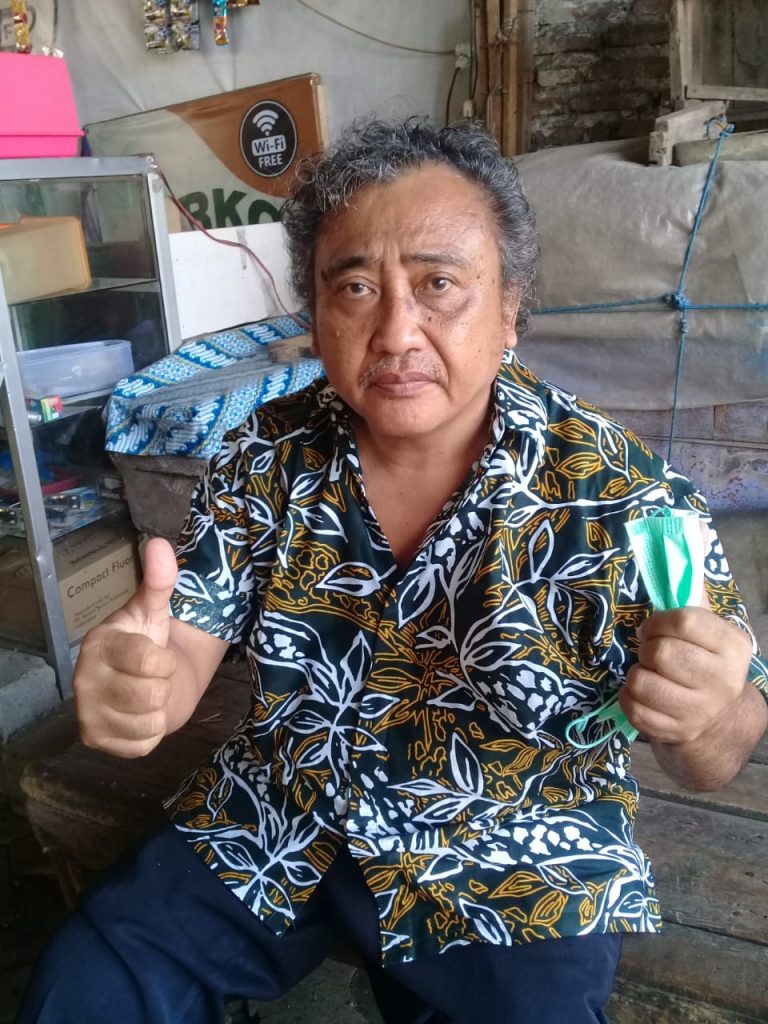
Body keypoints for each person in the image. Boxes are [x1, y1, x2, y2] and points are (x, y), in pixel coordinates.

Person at [19, 118, 767, 1024]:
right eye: (356, 287)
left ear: (510, 306)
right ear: (316, 314)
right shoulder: (265, 455)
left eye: (438, 284)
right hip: (280, 807)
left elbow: (722, 744)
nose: (395, 331)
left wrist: (709, 712)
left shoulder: (624, 496)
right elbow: (180, 646)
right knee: (87, 990)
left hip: (509, 845)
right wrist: (142, 685)